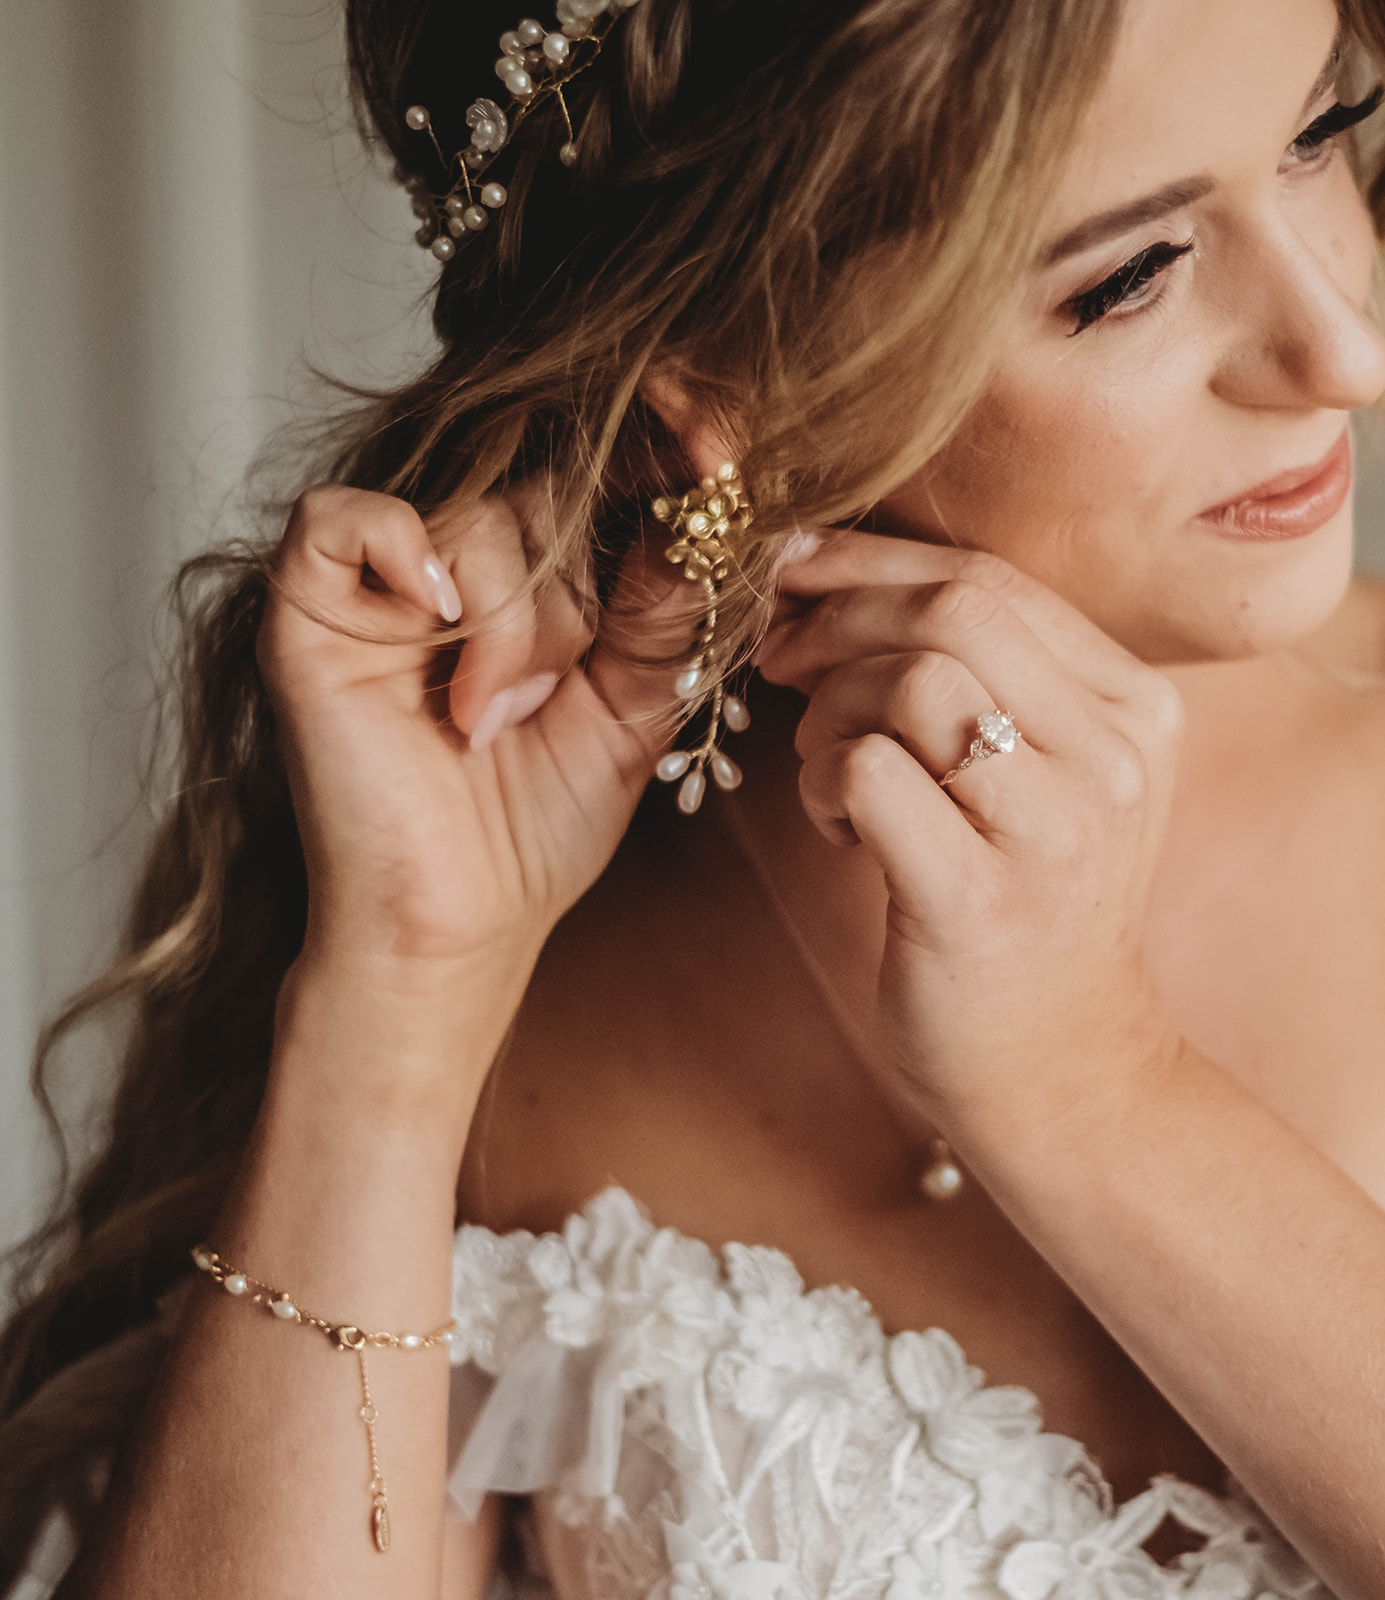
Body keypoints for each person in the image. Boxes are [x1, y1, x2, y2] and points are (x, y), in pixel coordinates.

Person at [4, 0, 1385, 1593]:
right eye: (1126, 277)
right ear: (721, 395)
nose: (1345, 348)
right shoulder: (537, 955)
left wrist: (1094, 1087)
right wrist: (401, 1002)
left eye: (1314, 134)